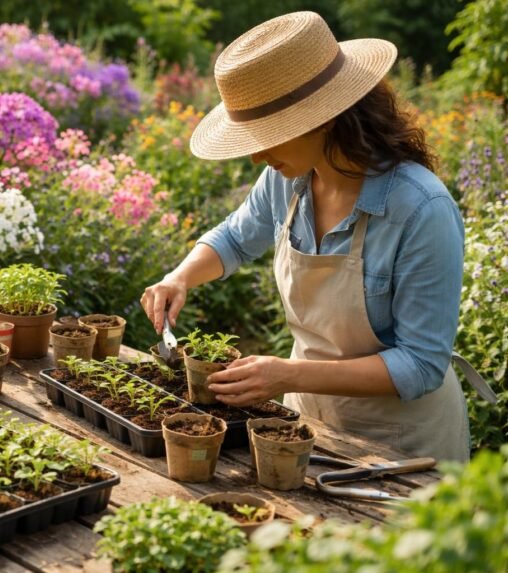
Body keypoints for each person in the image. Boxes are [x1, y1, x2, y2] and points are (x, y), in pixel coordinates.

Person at [141, 11, 476, 462]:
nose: (258, 155)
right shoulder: (289, 179)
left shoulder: (420, 209)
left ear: (324, 119)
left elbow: (420, 364)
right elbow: (237, 239)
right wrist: (179, 277)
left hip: (403, 447)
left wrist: (288, 374)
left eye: (268, 136)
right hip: (307, 424)